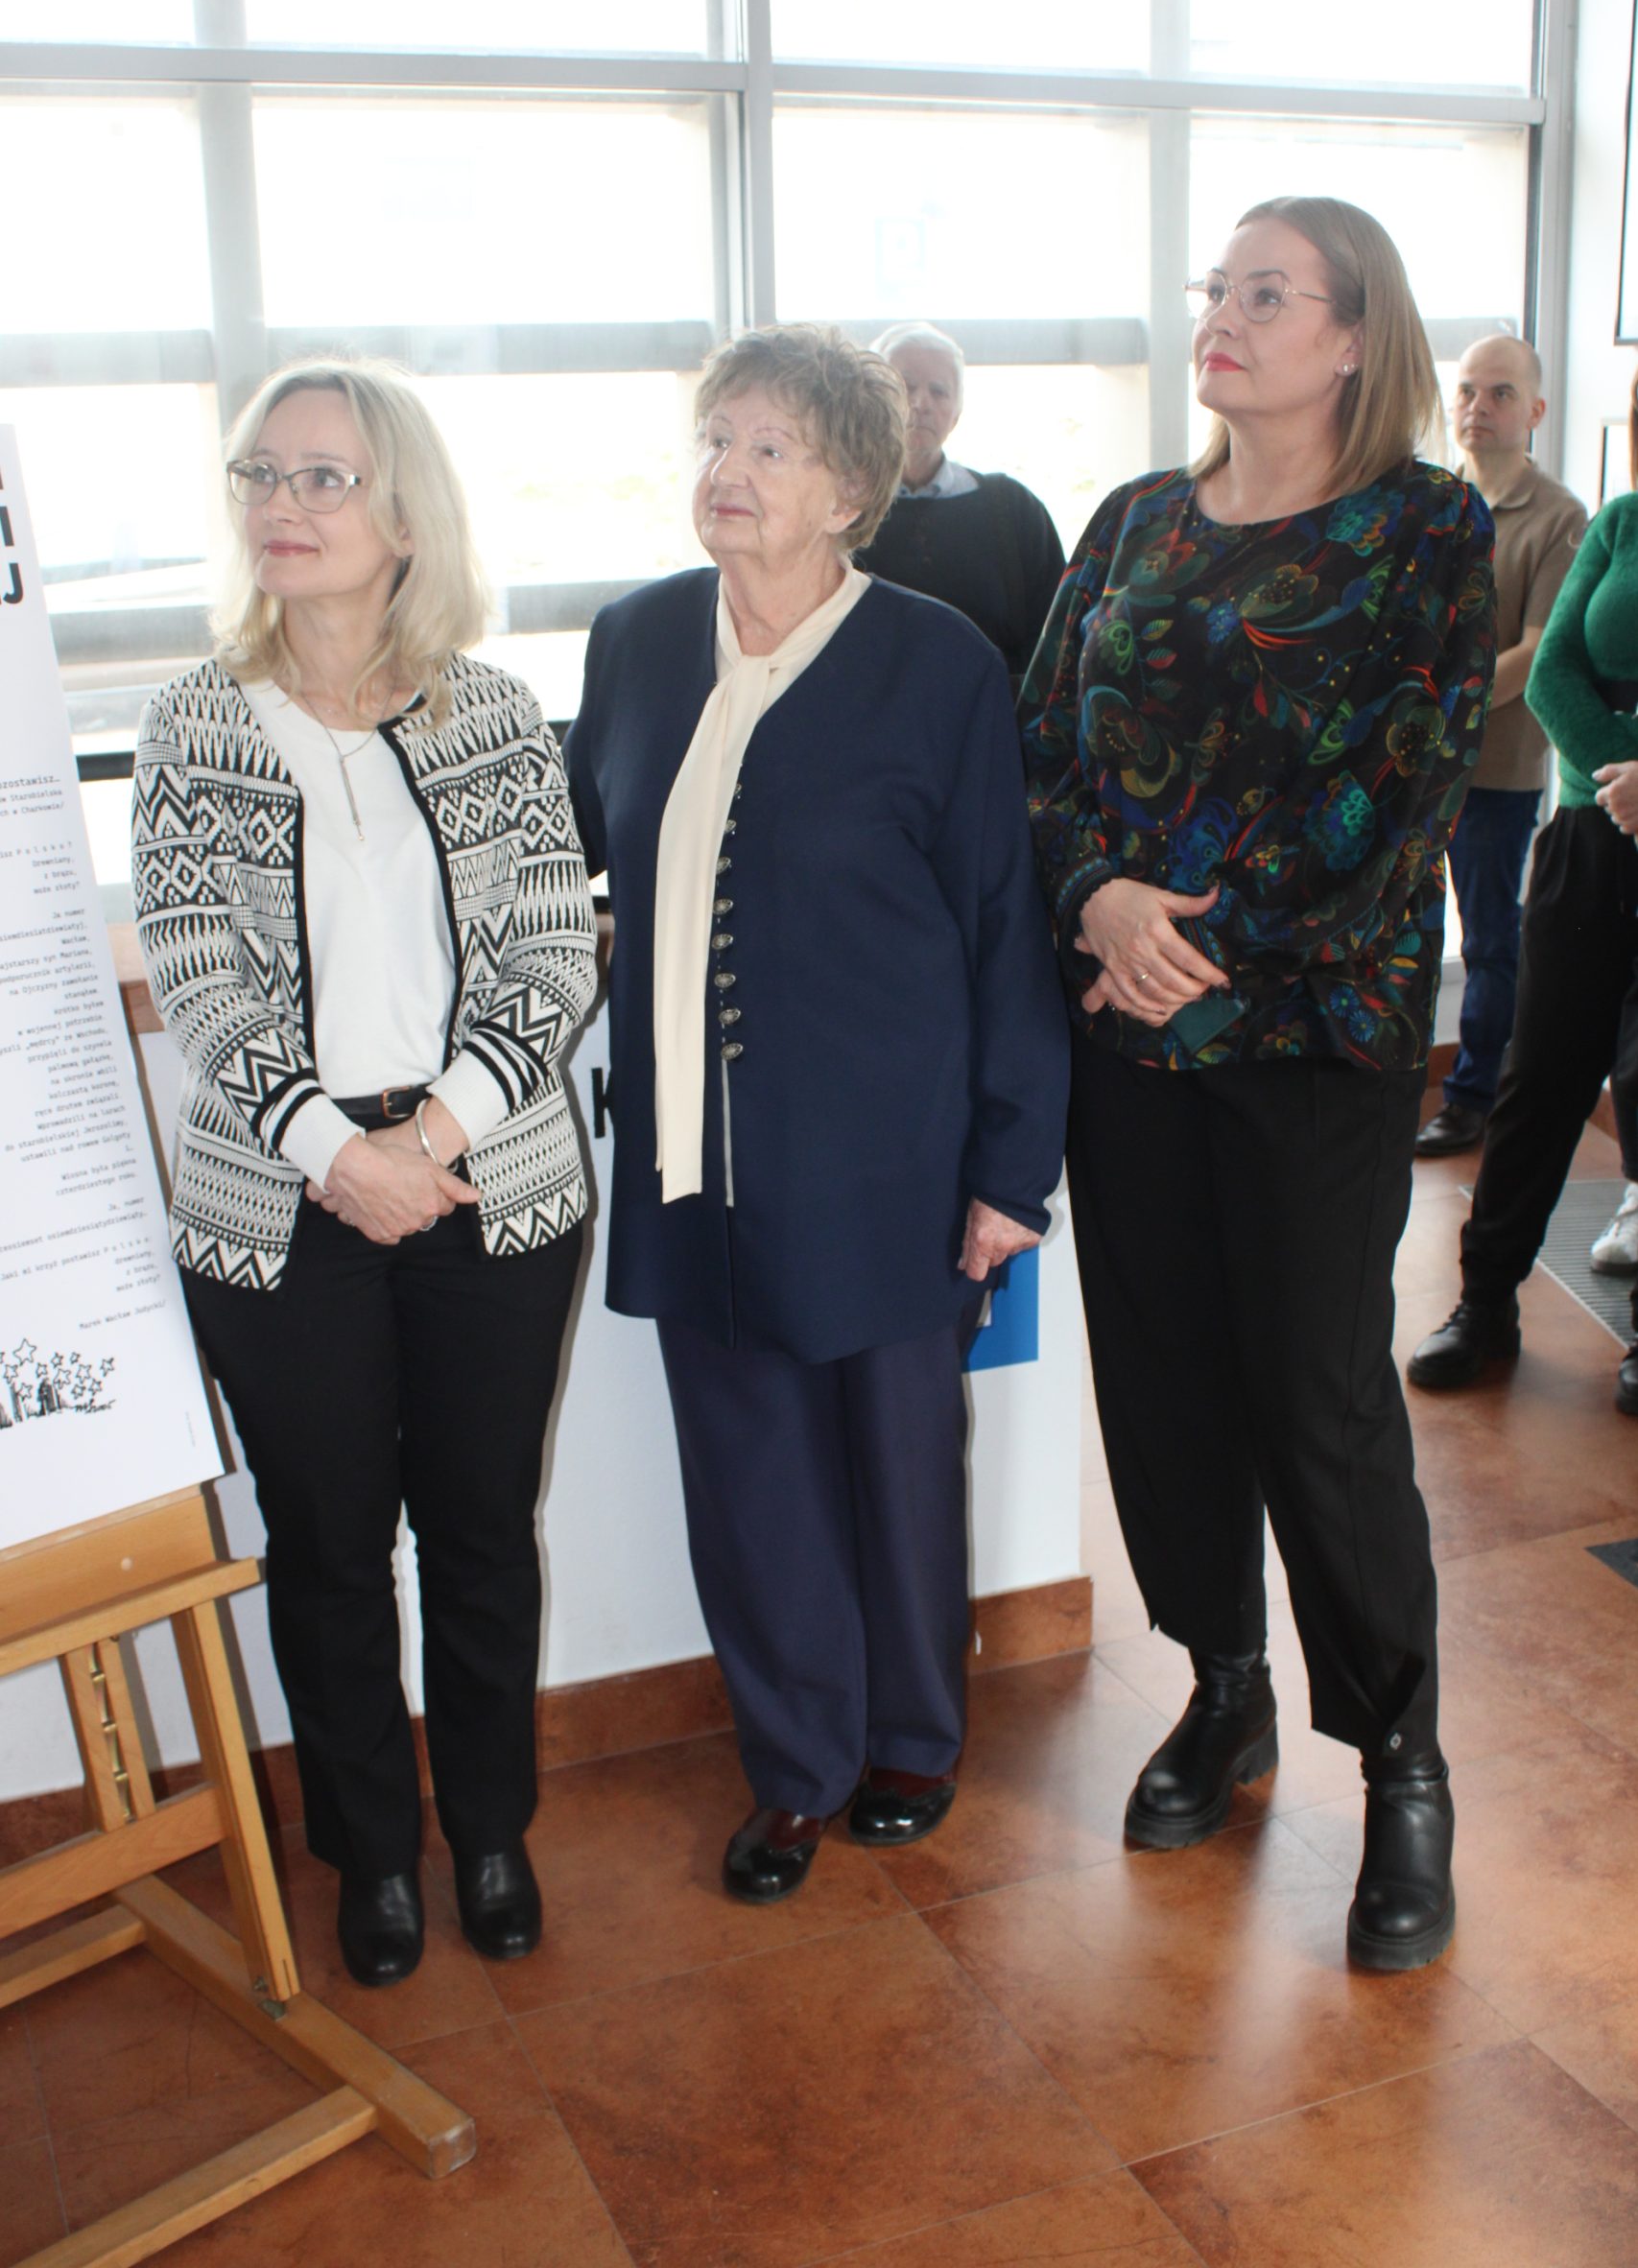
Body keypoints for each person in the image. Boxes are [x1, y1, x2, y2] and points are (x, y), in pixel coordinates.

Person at [1022, 196, 1495, 1973]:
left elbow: (1404, 786)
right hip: (1124, 1033)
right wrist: (1095, 896)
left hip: (1312, 1037)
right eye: (1215, 286)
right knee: (1160, 1383)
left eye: (1266, 291)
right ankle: (1222, 1688)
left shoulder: (1424, 526)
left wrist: (1186, 939)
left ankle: (1398, 1761)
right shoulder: (1134, 519)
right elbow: (1038, 747)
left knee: (1317, 1399)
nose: (1221, 313)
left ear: (1354, 336)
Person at [567, 323, 1068, 1903]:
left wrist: (1008, 1169)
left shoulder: (937, 664)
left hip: (887, 1161)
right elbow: (582, 855)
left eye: (767, 448)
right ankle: (795, 1766)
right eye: (715, 441)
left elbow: (1001, 926)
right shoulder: (637, 641)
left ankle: (910, 1737)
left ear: (851, 488)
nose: (725, 472)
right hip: (689, 1157)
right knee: (748, 1476)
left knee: (898, 1460)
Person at [131, 359, 598, 1986]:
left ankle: (489, 1830)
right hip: (282, 1207)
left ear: (402, 515)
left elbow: (551, 951)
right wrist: (339, 1154)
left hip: (487, 1186)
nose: (282, 504)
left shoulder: (495, 713)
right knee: (327, 1549)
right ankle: (372, 1857)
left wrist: (432, 1138)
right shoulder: (194, 719)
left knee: (479, 1532)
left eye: (322, 477)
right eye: (261, 473)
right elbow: (196, 968)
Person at [1409, 380, 1638, 1416]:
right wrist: (1622, 776)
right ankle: (1484, 1302)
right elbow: (1550, 673)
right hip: (1591, 838)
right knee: (1538, 1079)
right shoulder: (1620, 524)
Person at [1413, 336, 1585, 1158]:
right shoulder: (1434, 503)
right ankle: (1392, 1083)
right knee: (1404, 934)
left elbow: (1538, 650)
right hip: (1413, 765)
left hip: (1494, 770)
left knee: (1486, 941)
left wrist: (1444, 711)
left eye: (1500, 394)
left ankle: (1474, 1097)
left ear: (1535, 411)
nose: (1477, 408)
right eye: (1467, 391)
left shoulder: (1559, 518)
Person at [851, 322, 1065, 691]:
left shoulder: (1013, 509)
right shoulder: (838, 509)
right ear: (870, 401)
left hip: (993, 712)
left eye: (939, 391)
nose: (921, 404)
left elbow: (1058, 633)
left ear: (958, 411)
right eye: (905, 386)